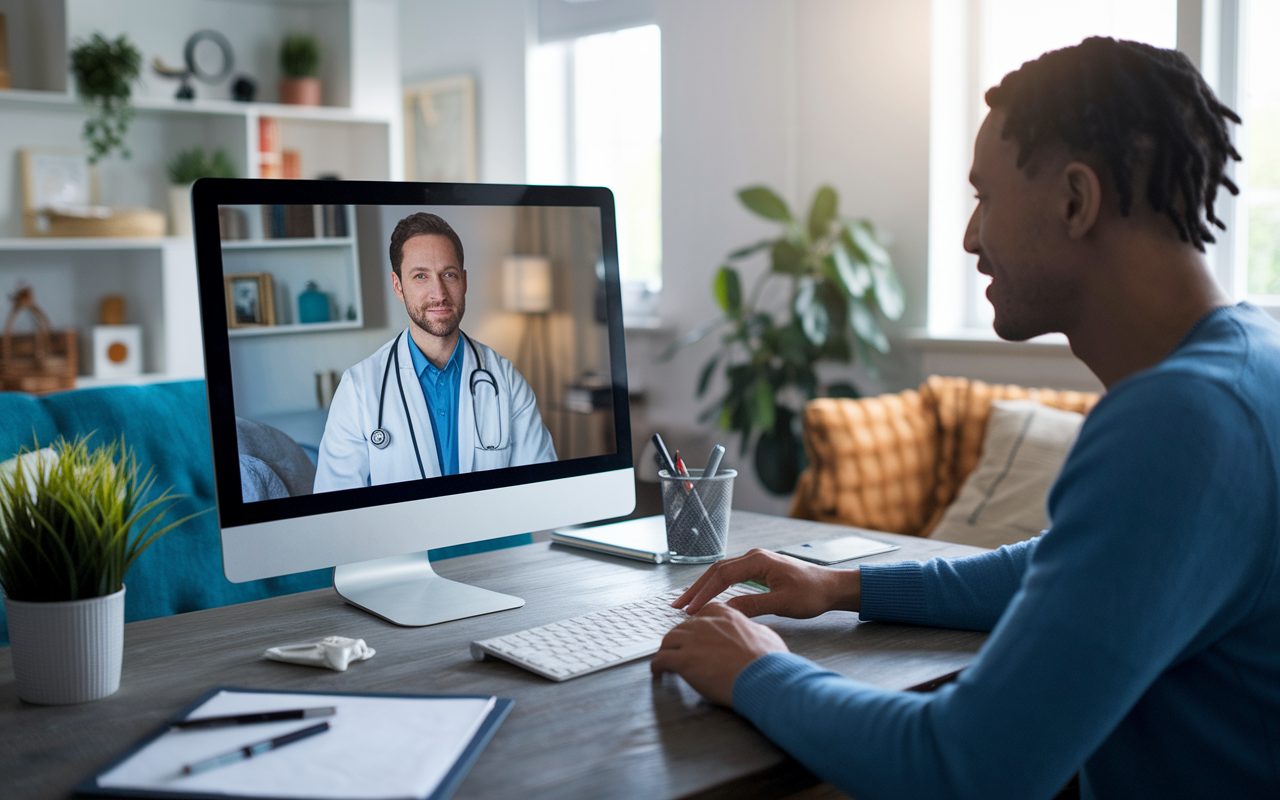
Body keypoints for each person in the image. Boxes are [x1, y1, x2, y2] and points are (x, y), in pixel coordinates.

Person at [652, 37, 1280, 798]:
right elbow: (1064, 567)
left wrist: (756, 668)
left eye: (984, 197)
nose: (969, 236)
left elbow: (965, 767)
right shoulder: (1251, 357)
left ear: (1076, 201)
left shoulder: (1179, 421)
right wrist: (840, 586)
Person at [315, 213, 555, 490]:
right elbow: (335, 509)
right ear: (398, 286)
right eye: (420, 276)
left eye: (449, 275)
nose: (438, 293)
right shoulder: (358, 388)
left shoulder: (506, 379)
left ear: (464, 282)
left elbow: (541, 488)